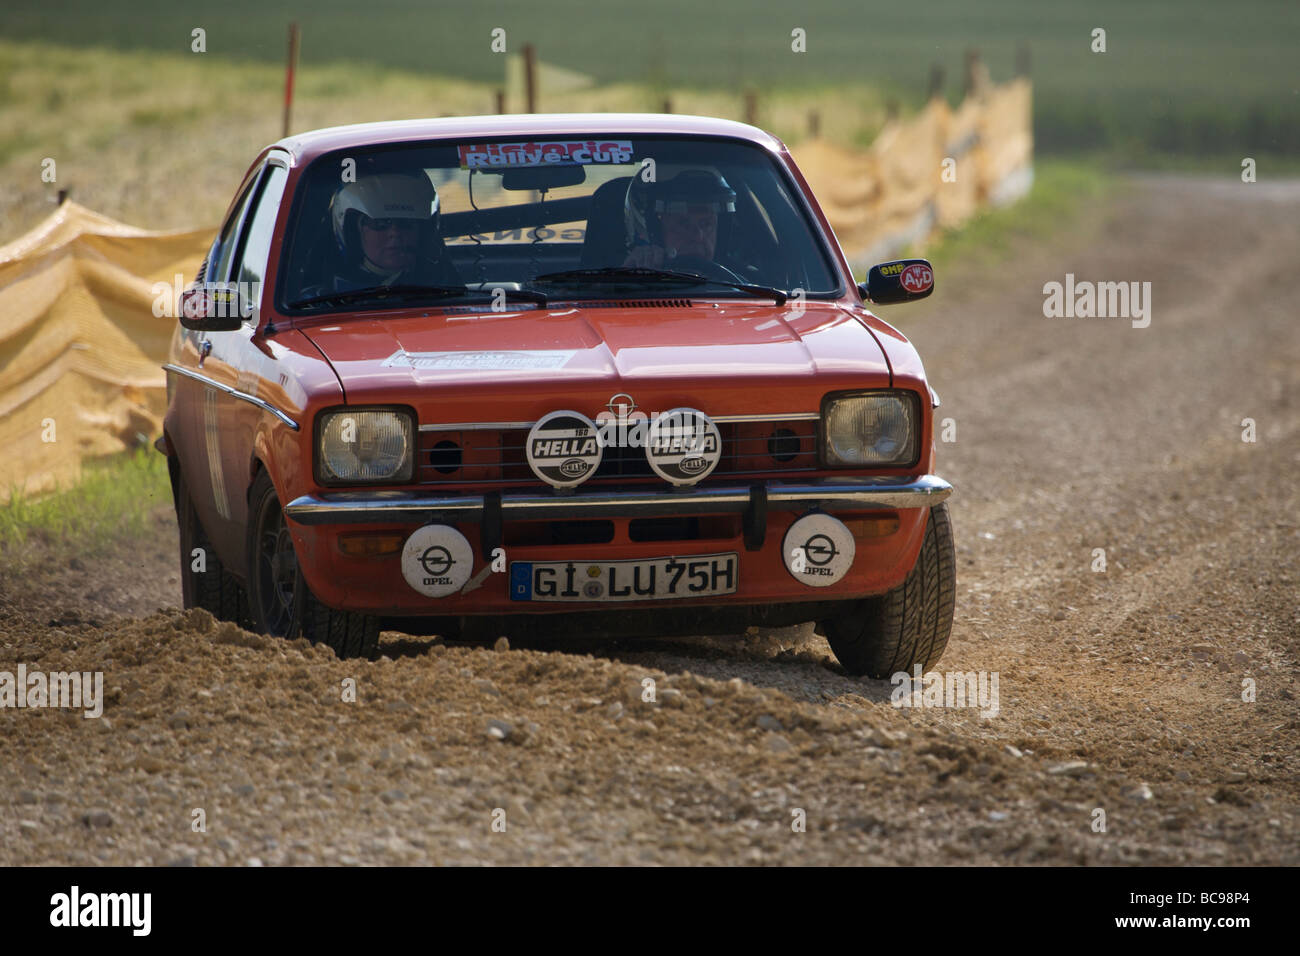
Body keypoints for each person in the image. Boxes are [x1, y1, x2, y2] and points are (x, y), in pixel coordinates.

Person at [324, 172, 462, 292]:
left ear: (423, 232)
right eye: (381, 223)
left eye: (406, 223)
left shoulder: (447, 287)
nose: (395, 232)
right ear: (353, 232)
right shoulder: (320, 298)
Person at [622, 169, 740, 275]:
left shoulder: (744, 285)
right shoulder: (634, 282)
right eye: (683, 223)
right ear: (654, 230)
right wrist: (629, 275)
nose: (698, 237)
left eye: (706, 224)